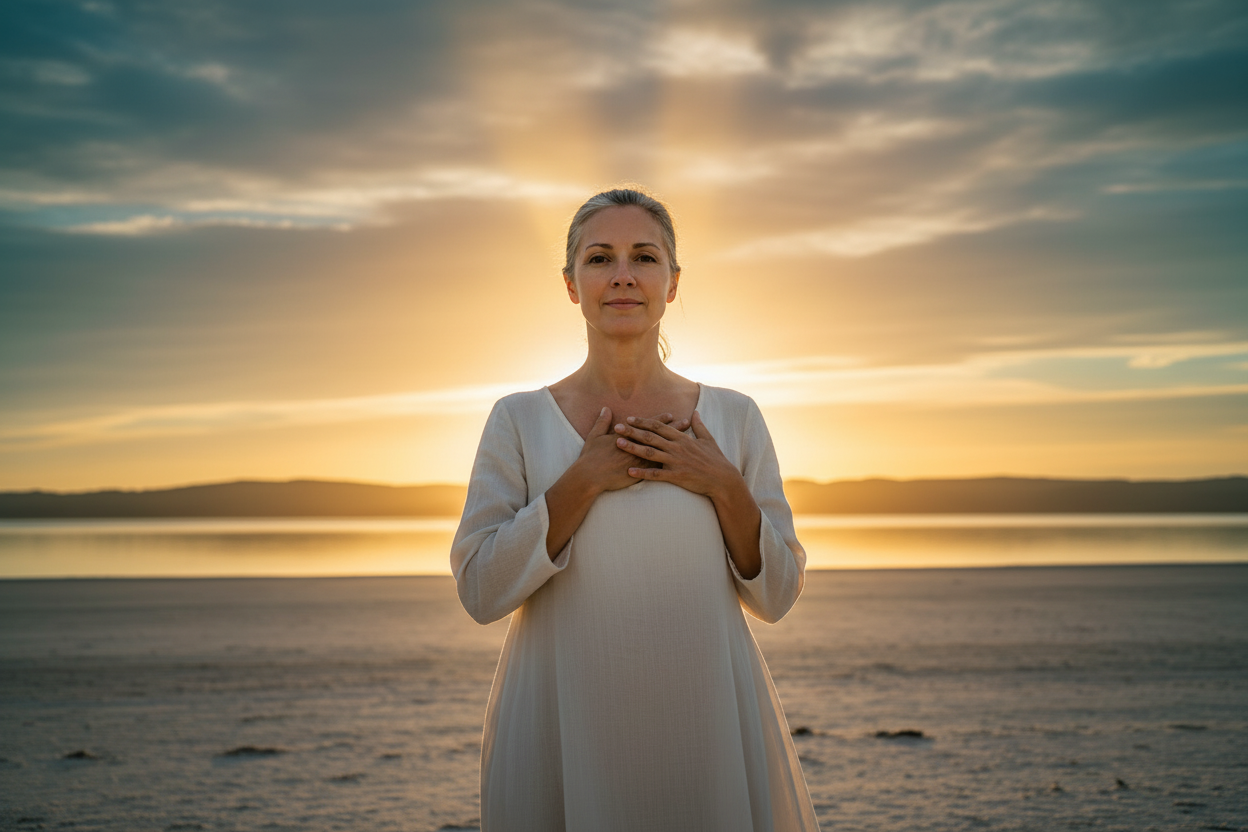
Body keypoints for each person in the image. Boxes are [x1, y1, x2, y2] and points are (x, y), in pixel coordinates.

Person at [450, 187, 819, 831]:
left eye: (644, 257)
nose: (623, 275)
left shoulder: (733, 419)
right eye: (600, 258)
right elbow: (480, 590)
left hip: (707, 724)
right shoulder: (518, 421)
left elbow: (779, 596)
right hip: (561, 720)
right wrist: (581, 481)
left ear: (672, 283)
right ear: (571, 284)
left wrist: (722, 484)